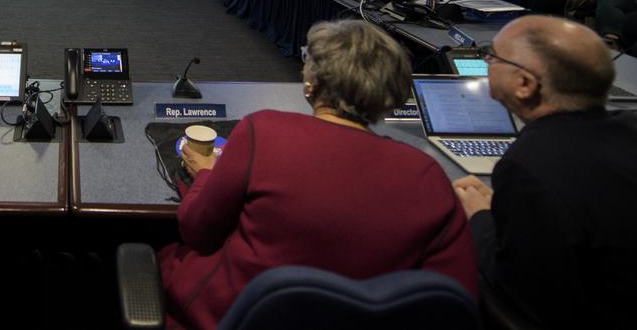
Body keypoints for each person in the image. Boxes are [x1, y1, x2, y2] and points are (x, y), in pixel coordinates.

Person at [159, 20, 477, 330]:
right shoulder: (428, 175)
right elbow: (452, 298)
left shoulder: (264, 130)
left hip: (234, 315)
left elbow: (197, 229)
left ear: (312, 84)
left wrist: (205, 175)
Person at [452, 15, 637, 329]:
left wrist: (481, 218)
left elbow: (522, 293)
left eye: (492, 56)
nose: (485, 61)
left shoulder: (529, 164)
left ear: (525, 84)